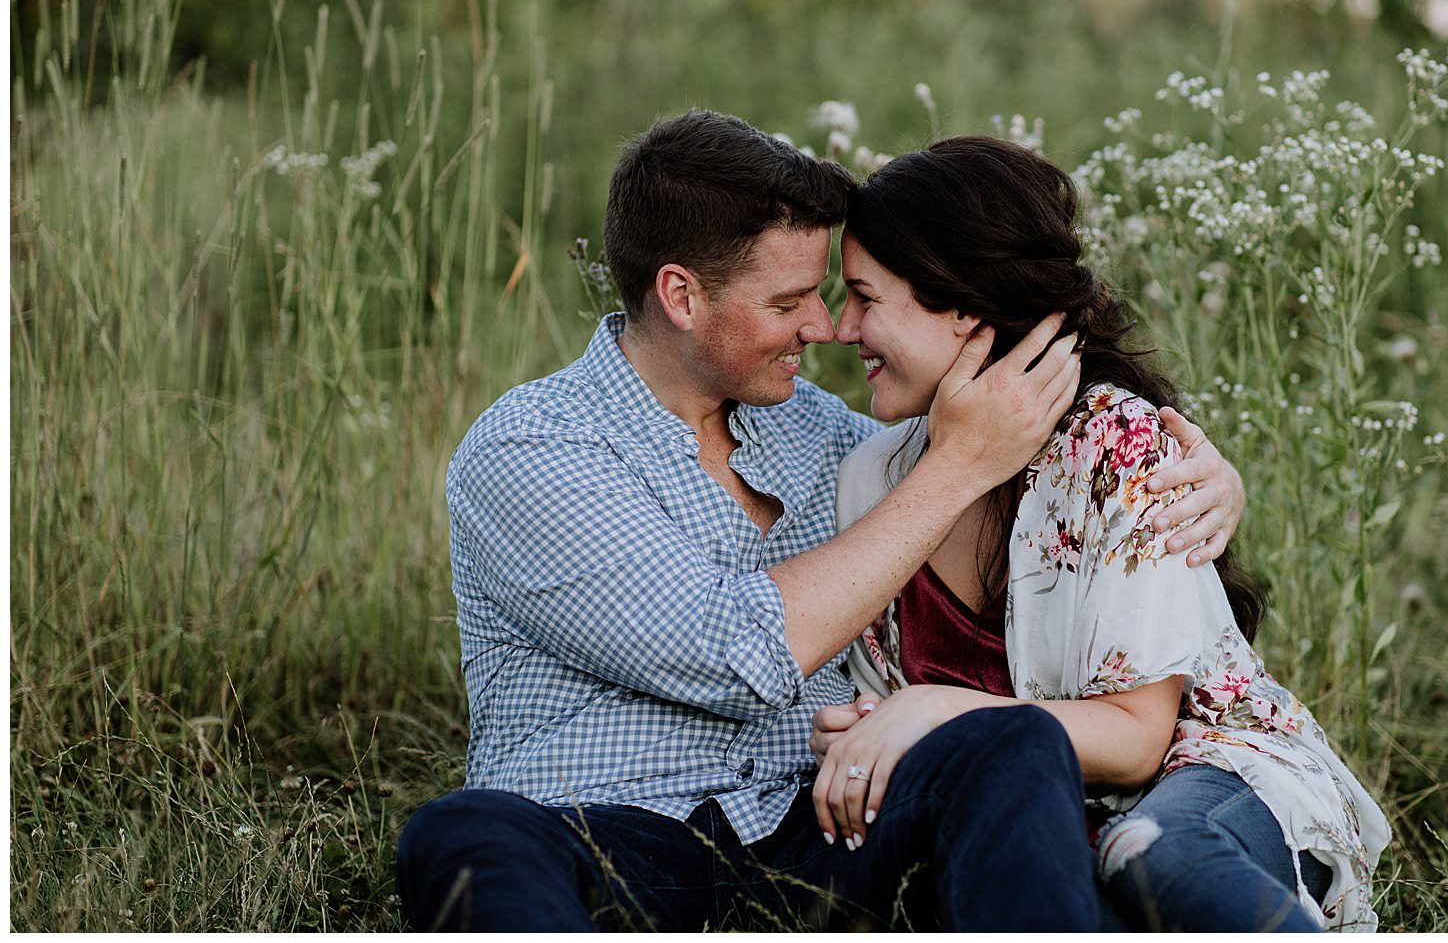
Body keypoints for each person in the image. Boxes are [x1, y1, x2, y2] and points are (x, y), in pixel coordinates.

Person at [395, 110, 1249, 931]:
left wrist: (1193, 473)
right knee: (464, 835)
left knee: (1011, 746)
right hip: (613, 831)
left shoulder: (824, 433)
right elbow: (731, 652)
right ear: (681, 295)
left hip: (819, 830)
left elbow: (1004, 464)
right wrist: (955, 465)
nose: (823, 325)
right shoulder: (532, 449)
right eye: (790, 299)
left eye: (830, 292)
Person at [812, 135, 1390, 931]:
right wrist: (862, 735)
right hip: (1033, 819)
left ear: (961, 307)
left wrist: (933, 712)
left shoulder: (1111, 443)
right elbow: (882, 714)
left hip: (1200, 779)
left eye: (866, 298)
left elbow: (1137, 739)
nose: (842, 330)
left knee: (1151, 853)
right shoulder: (870, 477)